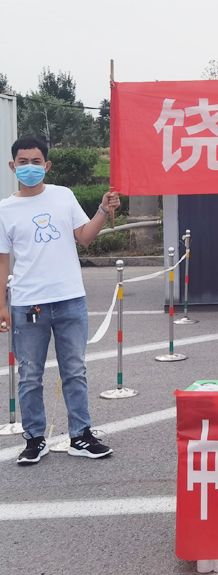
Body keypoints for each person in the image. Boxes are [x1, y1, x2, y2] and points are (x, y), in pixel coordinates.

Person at [0, 136, 119, 465]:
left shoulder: (63, 196)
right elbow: (2, 261)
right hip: (28, 303)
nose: (30, 167)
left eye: (36, 162)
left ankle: (80, 435)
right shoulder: (5, 209)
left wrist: (103, 210)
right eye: (23, 162)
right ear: (12, 166)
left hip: (69, 299)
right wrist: (2, 305)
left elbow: (85, 237)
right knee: (29, 375)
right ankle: (34, 439)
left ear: (47, 165)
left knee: (75, 371)